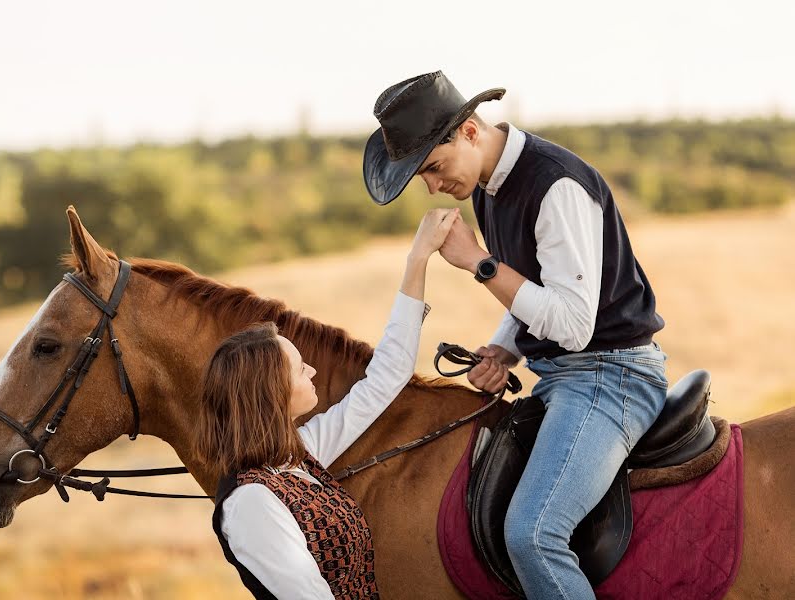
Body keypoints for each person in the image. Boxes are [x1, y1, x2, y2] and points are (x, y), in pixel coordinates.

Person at [363, 71, 668, 599]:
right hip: (563, 375)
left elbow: (574, 327)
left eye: (434, 168)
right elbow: (533, 285)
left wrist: (478, 263)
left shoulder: (556, 185)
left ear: (470, 133)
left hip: (611, 378)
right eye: (423, 179)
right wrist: (505, 348)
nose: (433, 187)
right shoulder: (487, 185)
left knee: (533, 535)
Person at [193, 207, 460, 599]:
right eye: (301, 369)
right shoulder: (251, 503)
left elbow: (387, 376)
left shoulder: (298, 455)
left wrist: (417, 259)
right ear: (271, 394)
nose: (314, 372)